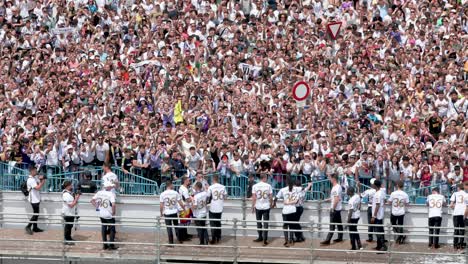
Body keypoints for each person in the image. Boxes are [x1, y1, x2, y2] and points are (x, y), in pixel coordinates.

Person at [91, 181, 118, 250]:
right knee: (112, 229)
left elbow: (92, 200)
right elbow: (113, 204)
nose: (112, 187)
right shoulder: (110, 194)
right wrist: (113, 212)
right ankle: (111, 245)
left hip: (101, 213)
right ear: (108, 187)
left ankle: (105, 245)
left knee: (103, 227)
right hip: (108, 213)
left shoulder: (99, 192)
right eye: (111, 186)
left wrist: (98, 208)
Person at [273, 178, 298, 247]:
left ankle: (286, 241)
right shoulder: (295, 190)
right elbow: (297, 201)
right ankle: (291, 240)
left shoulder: (283, 189)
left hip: (285, 211)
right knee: (292, 226)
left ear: (286, 183)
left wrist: (274, 203)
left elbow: (276, 197)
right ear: (293, 184)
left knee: (285, 226)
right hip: (293, 210)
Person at [160, 180, 185, 245]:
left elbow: (161, 205)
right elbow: (180, 203)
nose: (173, 186)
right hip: (174, 212)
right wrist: (184, 209)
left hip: (167, 212)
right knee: (176, 226)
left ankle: (171, 242)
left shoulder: (162, 194)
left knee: (169, 228)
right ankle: (179, 239)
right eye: (172, 184)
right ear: (170, 185)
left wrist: (161, 213)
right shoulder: (175, 193)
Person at [321, 174, 343, 245]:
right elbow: (335, 198)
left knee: (332, 226)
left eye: (330, 178)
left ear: (334, 179)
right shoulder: (336, 187)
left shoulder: (336, 187)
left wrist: (333, 208)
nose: (329, 180)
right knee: (339, 224)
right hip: (337, 209)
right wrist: (327, 199)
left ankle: (328, 240)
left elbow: (336, 199)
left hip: (335, 209)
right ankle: (340, 238)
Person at [252, 173, 273, 246]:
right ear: (264, 178)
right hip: (266, 206)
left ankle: (260, 237)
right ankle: (265, 239)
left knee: (259, 222)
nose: (267, 179)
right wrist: (271, 204)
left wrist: (252, 206)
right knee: (266, 223)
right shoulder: (268, 186)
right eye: (266, 177)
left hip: (258, 206)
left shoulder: (255, 186)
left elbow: (254, 197)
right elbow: (270, 196)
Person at [25, 165, 46, 235]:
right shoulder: (30, 180)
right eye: (35, 170)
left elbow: (38, 181)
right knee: (36, 214)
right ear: (31, 171)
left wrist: (41, 178)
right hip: (33, 199)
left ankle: (35, 228)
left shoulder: (34, 178)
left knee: (36, 214)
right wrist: (42, 182)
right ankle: (28, 227)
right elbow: (37, 187)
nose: (36, 171)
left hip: (36, 198)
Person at [207, 175, 226, 244]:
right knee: (218, 223)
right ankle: (218, 237)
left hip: (213, 207)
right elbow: (225, 196)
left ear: (213, 180)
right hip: (220, 207)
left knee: (212, 224)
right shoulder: (223, 187)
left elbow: (208, 196)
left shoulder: (211, 187)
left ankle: (213, 238)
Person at [450, 183, 467, 251]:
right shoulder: (466, 194)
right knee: (462, 230)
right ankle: (461, 245)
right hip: (463, 214)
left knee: (456, 230)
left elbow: (451, 205)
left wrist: (455, 206)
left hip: (456, 213)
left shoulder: (455, 193)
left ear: (458, 188)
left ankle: (455, 246)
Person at [62, 180, 80, 245]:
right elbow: (71, 205)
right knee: (68, 226)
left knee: (70, 226)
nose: (72, 186)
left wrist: (76, 196)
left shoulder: (69, 193)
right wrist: (77, 198)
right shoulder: (66, 194)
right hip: (67, 213)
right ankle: (66, 240)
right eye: (70, 185)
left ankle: (69, 238)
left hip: (71, 213)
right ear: (67, 186)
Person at [371, 180, 387, 252]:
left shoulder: (378, 194)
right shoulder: (382, 192)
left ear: (375, 185)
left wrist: (374, 216)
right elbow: (384, 201)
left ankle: (383, 246)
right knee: (380, 231)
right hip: (380, 214)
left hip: (377, 216)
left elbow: (377, 205)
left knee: (378, 232)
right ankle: (379, 246)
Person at [360, 178, 377, 242]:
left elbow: (361, 196)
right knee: (377, 223)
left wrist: (358, 187)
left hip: (370, 207)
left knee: (370, 224)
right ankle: (379, 237)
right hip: (376, 208)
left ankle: (370, 238)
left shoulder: (368, 191)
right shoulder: (379, 191)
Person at [178, 176, 193, 241]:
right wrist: (193, 199)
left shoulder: (182, 188)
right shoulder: (184, 189)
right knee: (183, 222)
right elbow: (187, 199)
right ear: (185, 181)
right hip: (184, 207)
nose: (189, 182)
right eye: (188, 180)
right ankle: (183, 236)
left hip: (183, 207)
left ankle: (185, 235)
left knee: (185, 222)